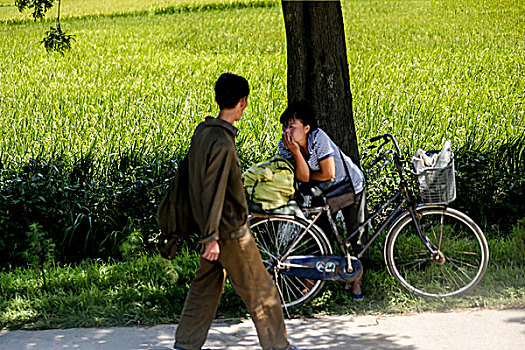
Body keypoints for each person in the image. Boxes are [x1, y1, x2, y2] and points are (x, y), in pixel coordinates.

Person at [174, 73, 303, 350]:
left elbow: (189, 179)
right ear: (243, 102)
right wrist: (211, 238)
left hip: (214, 228)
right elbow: (214, 189)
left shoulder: (203, 132)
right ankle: (279, 347)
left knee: (204, 290)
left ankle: (185, 345)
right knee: (262, 291)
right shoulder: (222, 143)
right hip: (230, 232)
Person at [278, 101, 367, 299]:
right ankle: (311, 283)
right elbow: (301, 177)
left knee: (356, 234)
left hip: (348, 184)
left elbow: (329, 173)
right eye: (285, 126)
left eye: (292, 126)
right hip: (321, 191)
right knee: (318, 234)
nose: (287, 131)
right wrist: (295, 152)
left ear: (306, 128)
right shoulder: (285, 147)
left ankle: (355, 282)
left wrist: (307, 174)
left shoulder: (319, 139)